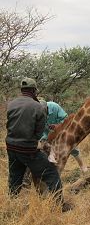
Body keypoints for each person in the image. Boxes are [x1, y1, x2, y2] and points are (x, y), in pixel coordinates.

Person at [5, 77, 72, 212]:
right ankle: (61, 206)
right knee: (52, 173)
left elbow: (9, 125)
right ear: (34, 90)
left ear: (22, 90)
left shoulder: (11, 104)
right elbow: (38, 134)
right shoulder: (38, 107)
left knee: (15, 176)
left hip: (10, 146)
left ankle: (10, 207)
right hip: (27, 149)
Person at [39, 100, 88, 173]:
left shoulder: (54, 106)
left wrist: (57, 126)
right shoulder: (36, 111)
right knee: (45, 150)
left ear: (47, 108)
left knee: (72, 148)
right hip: (45, 133)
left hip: (60, 131)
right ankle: (49, 171)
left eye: (45, 112)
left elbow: (66, 119)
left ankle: (82, 166)